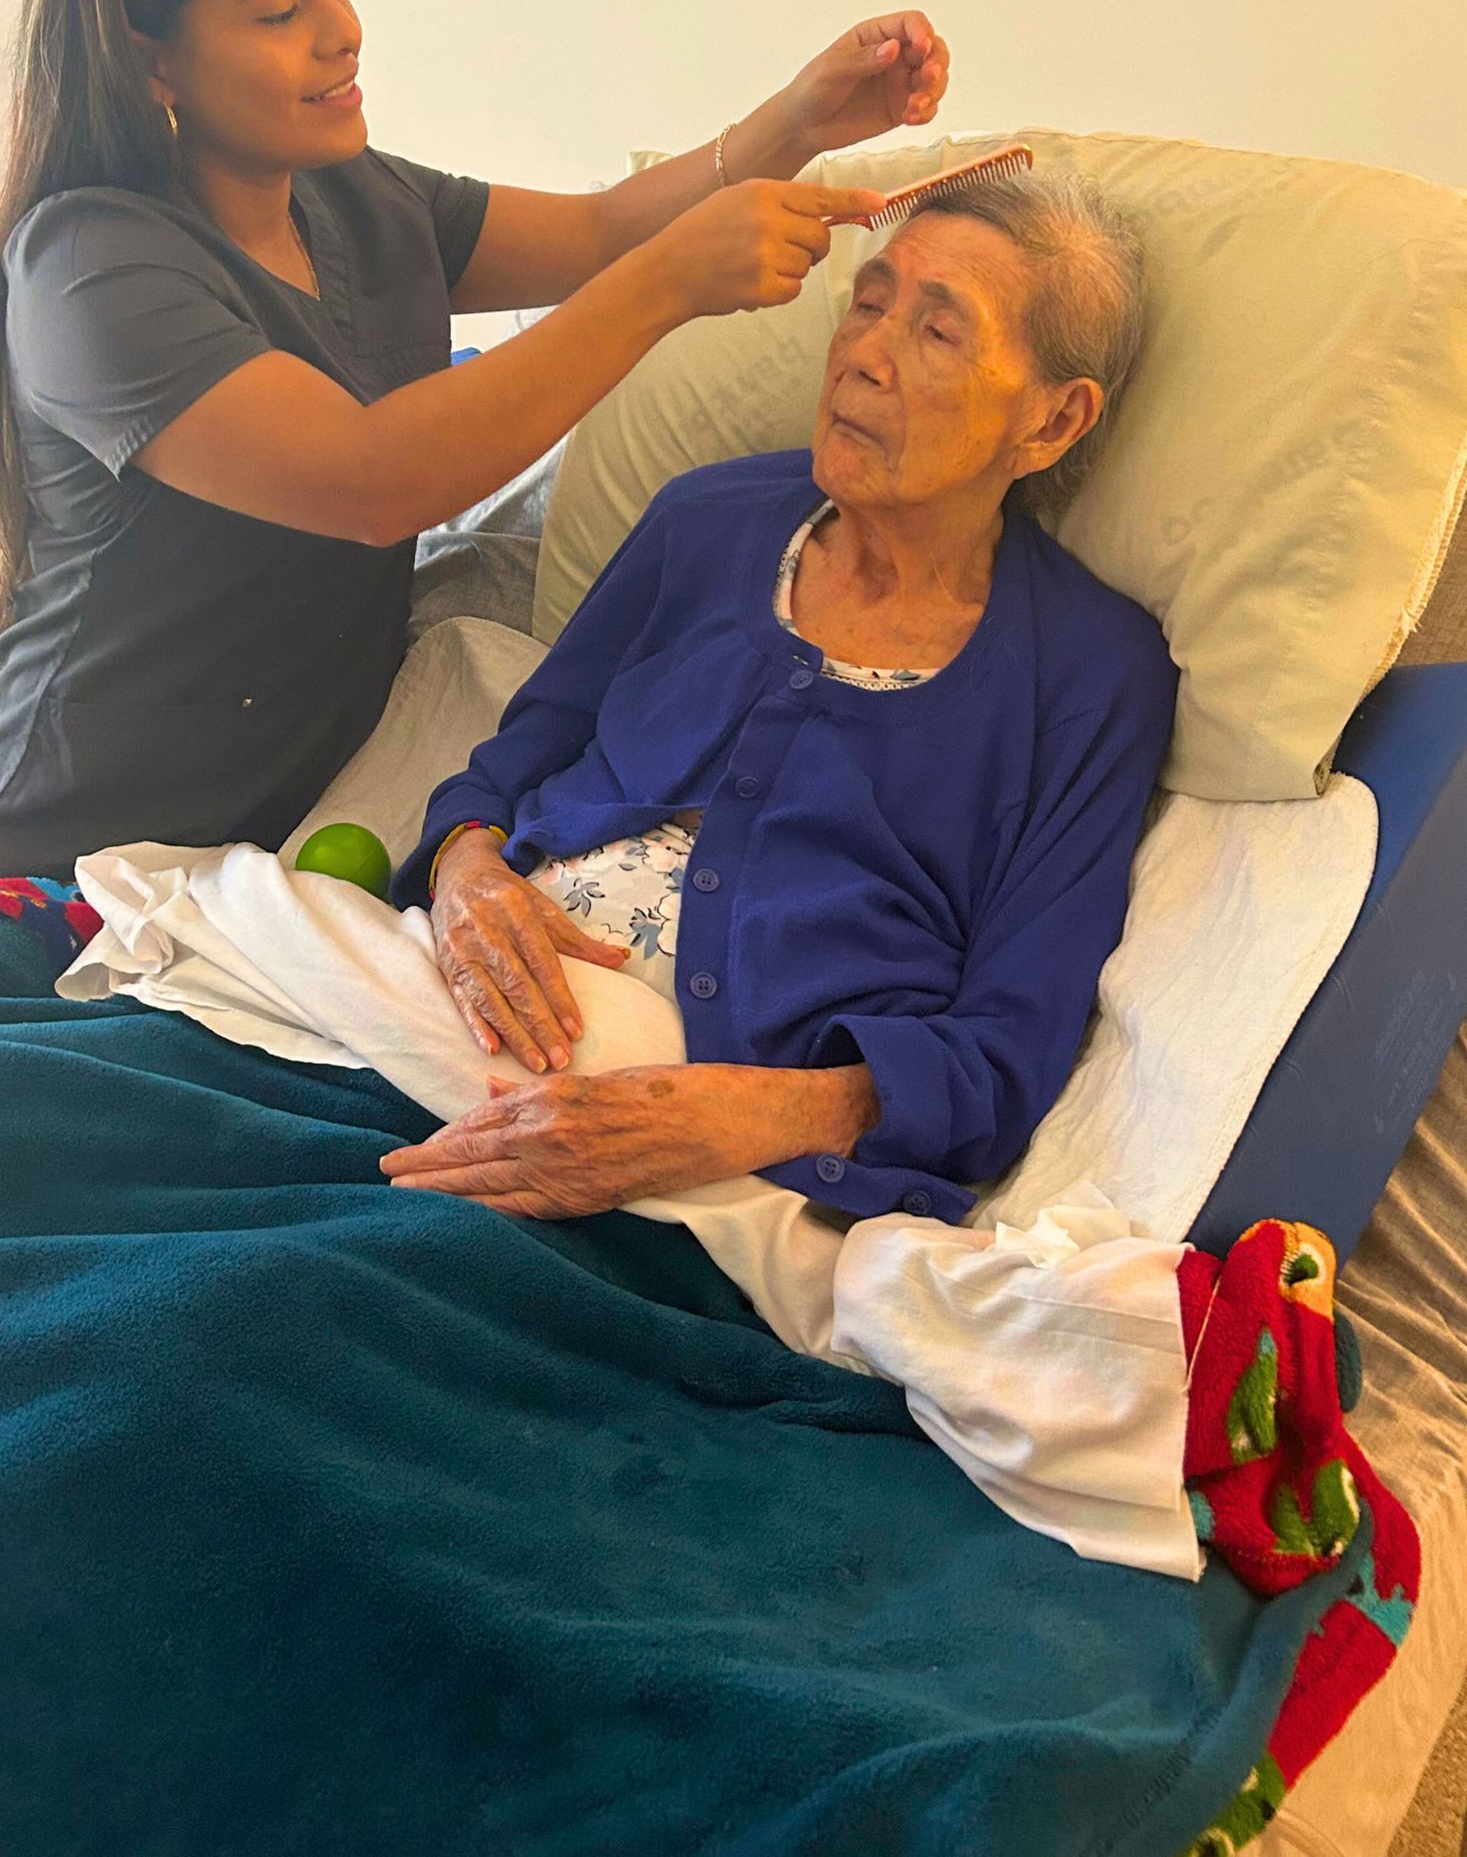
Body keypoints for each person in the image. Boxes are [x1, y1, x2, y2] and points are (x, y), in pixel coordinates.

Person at [0, 0, 949, 884]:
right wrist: (667, 287)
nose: (343, 30)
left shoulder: (356, 196)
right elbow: (374, 479)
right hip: (83, 856)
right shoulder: (88, 268)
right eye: (280, 9)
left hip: (299, 824)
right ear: (150, 61)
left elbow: (600, 232)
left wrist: (797, 119)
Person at [382, 171, 1177, 1226]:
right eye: (871, 301)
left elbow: (1005, 1049)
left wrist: (733, 1119)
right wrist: (467, 873)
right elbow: (504, 774)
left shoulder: (1089, 674)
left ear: (1052, 421)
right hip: (428, 1032)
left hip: (712, 1186)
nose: (865, 355)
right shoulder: (704, 519)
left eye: (937, 334)